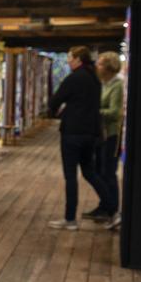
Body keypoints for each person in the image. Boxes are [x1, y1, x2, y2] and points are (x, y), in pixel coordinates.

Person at [47, 45, 108, 230]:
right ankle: (112, 207)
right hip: (90, 133)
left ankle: (70, 218)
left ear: (78, 60)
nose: (68, 61)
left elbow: (55, 100)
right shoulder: (94, 79)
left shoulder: (74, 78)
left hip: (72, 133)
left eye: (70, 57)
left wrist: (54, 111)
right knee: (90, 172)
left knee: (71, 176)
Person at [84, 51, 124, 229]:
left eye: (100, 64)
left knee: (108, 172)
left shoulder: (116, 85)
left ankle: (112, 209)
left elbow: (115, 112)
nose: (97, 66)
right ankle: (104, 206)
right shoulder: (103, 84)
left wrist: (94, 111)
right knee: (99, 171)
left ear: (108, 67)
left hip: (111, 135)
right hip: (101, 134)